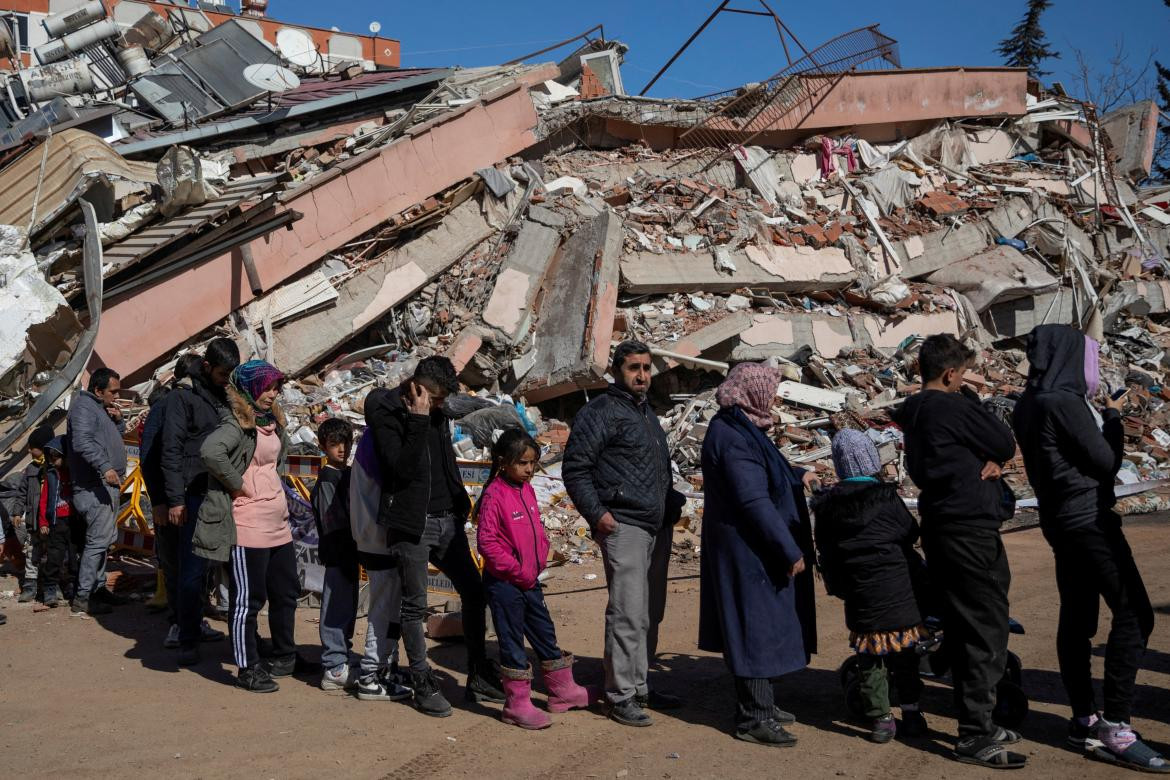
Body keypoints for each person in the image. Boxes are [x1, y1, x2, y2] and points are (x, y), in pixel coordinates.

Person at [1013, 324, 1164, 773]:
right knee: (1135, 615)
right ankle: (1116, 726)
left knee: (1077, 619)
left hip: (1060, 522)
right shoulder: (1062, 402)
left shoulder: (1030, 401)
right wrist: (1114, 419)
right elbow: (1105, 462)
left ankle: (1083, 718)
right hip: (1089, 523)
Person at [890, 334, 1024, 769]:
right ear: (950, 373)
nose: (965, 380)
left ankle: (979, 719)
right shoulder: (955, 405)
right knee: (985, 627)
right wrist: (973, 408)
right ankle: (974, 733)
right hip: (970, 530)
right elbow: (1003, 442)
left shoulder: (912, 412)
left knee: (966, 622)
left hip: (943, 526)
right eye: (962, 374)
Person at [362, 356, 504, 717]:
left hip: (447, 520)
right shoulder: (386, 409)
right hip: (412, 523)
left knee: (474, 591)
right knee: (415, 604)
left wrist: (460, 500)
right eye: (437, 398)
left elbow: (444, 459)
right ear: (418, 388)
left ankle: (478, 671)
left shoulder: (437, 411)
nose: (441, 405)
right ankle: (422, 680)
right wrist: (418, 419)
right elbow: (400, 470)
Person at [563, 340, 687, 728]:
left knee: (649, 613)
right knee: (627, 613)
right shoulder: (600, 411)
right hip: (625, 525)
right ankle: (619, 695)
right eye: (635, 368)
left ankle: (640, 685)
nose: (642, 376)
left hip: (655, 525)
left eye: (647, 368)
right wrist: (599, 516)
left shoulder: (645, 412)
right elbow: (576, 468)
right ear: (618, 369)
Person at [698, 362, 818, 747]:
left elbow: (765, 471)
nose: (775, 396)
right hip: (747, 549)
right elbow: (752, 499)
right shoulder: (732, 435)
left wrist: (796, 474)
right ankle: (754, 717)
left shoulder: (745, 426)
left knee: (764, 625)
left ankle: (764, 704)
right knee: (752, 628)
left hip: (752, 548)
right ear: (753, 392)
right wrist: (787, 547)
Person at [812, 429, 928, 744]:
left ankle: (881, 720)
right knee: (905, 656)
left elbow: (826, 550)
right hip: (899, 591)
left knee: (870, 660)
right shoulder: (887, 498)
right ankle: (913, 713)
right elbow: (910, 532)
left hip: (860, 594)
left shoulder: (827, 506)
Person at [477, 429, 592, 730]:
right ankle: (516, 704)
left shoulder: (525, 489)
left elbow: (536, 529)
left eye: (533, 463)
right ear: (503, 462)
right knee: (513, 641)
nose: (529, 470)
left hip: (530, 580)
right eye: (523, 463)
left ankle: (562, 691)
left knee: (544, 631)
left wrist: (541, 555)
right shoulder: (493, 495)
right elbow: (487, 544)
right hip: (505, 584)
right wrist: (518, 570)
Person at [196, 359, 298, 693]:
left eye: (276, 387)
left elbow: (276, 463)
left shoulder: (270, 421)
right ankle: (247, 667)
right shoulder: (236, 422)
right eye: (268, 387)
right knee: (247, 602)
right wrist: (238, 483)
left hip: (278, 525)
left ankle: (284, 655)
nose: (273, 393)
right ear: (250, 388)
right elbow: (211, 452)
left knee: (284, 593)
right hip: (249, 524)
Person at [161, 340, 239, 664]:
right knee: (191, 572)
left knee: (236, 570)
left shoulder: (228, 396)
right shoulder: (182, 398)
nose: (226, 379)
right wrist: (175, 500)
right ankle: (188, 638)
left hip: (227, 494)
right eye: (222, 374)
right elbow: (171, 450)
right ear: (207, 367)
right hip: (195, 495)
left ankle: (241, 639)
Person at [141, 353, 225, 651]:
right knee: (177, 564)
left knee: (195, 566)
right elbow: (151, 456)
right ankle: (179, 623)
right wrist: (161, 501)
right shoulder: (168, 405)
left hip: (197, 497)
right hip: (174, 501)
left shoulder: (209, 402)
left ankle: (193, 619)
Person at [67, 367, 128, 617]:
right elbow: (81, 442)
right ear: (97, 390)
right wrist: (105, 466)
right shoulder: (83, 408)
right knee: (96, 543)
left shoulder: (98, 409)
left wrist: (118, 421)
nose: (116, 396)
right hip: (94, 487)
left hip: (105, 486)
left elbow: (111, 438)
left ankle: (98, 588)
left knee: (103, 542)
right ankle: (83, 598)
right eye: (112, 392)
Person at [311, 417, 363, 693]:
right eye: (334, 444)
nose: (341, 449)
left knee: (347, 606)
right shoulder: (328, 479)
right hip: (338, 551)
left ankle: (342, 655)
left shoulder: (348, 473)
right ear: (323, 446)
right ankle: (333, 665)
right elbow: (333, 521)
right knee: (336, 607)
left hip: (350, 551)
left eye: (345, 442)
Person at [15, 424, 53, 604]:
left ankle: (52, 586)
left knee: (52, 555)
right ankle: (30, 586)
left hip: (52, 522)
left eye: (33, 447)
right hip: (33, 521)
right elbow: (21, 492)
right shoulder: (31, 469)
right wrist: (17, 512)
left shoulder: (55, 468)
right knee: (31, 553)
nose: (29, 450)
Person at [35, 437, 75, 608]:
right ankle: (50, 588)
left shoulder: (75, 472)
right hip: (56, 521)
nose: (52, 460)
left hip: (74, 521)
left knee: (74, 558)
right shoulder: (51, 474)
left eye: (55, 456)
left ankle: (73, 586)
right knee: (54, 556)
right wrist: (43, 522)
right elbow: (44, 500)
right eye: (50, 456)